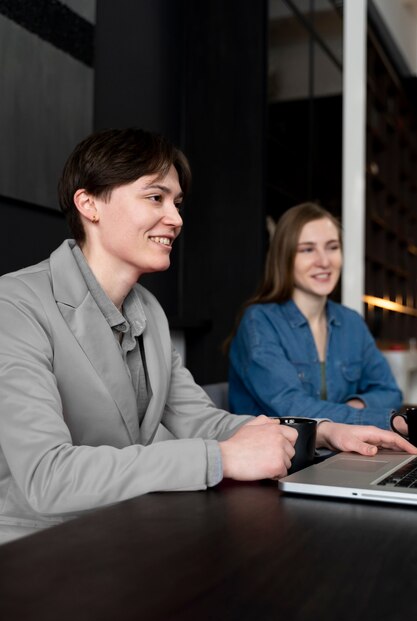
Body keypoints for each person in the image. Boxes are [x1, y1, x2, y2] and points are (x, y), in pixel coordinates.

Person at [0, 132, 413, 536]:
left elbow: (203, 421)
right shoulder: (15, 305)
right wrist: (218, 459)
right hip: (38, 548)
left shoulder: (148, 311)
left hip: (126, 530)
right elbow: (47, 477)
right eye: (154, 197)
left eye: (177, 203)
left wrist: (322, 430)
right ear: (89, 204)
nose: (177, 219)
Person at [227, 202, 402, 430]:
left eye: (332, 247)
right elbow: (295, 410)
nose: (324, 261)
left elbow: (390, 392)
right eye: (307, 249)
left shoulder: (351, 322)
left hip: (342, 453)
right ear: (285, 256)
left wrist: (356, 405)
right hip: (283, 463)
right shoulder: (259, 322)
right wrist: (375, 418)